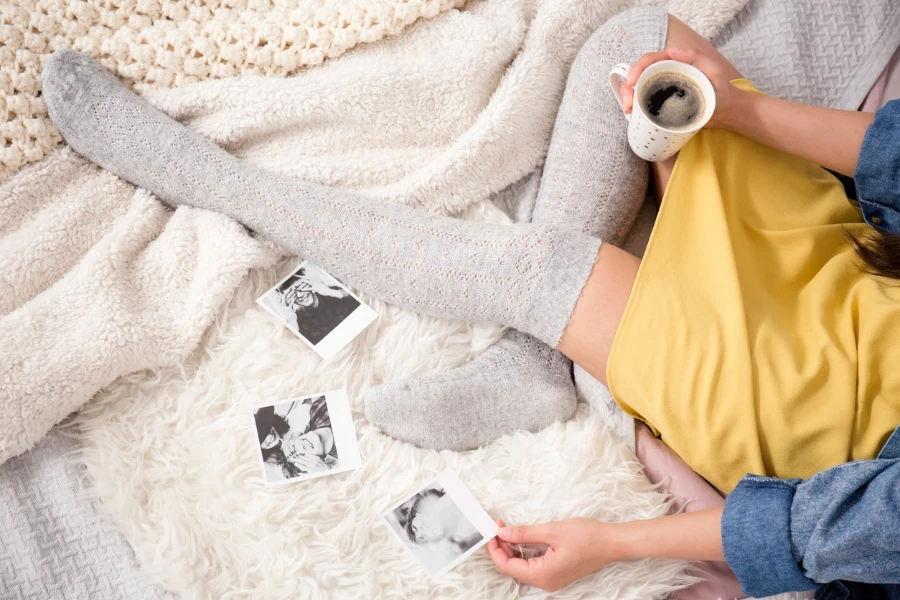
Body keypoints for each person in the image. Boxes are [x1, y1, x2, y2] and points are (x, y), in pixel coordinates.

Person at [39, 4, 899, 594]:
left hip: (812, 409)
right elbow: (891, 158)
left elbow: (804, 530)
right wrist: (733, 114)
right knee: (645, 40)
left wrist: (609, 544)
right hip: (852, 273)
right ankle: (539, 358)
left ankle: (211, 180)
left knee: (537, 269)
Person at [256, 397, 338, 479]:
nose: (270, 436)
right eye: (261, 440)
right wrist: (327, 470)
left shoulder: (316, 409)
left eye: (266, 429)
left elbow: (305, 405)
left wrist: (295, 435)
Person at [399, 487, 482, 552]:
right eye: (423, 537)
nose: (421, 530)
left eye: (415, 527)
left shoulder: (435, 503)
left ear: (416, 514)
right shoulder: (462, 531)